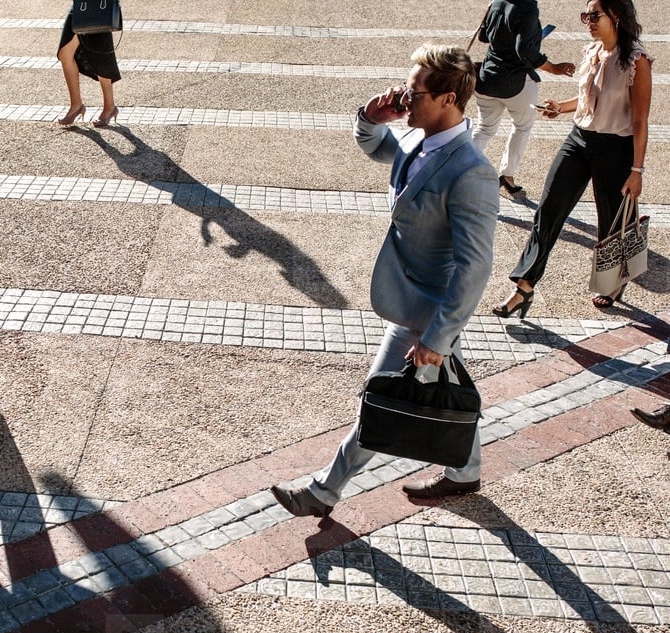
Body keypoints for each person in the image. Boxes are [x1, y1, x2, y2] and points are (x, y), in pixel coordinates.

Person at [270, 44, 498, 518]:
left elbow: (475, 266)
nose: (405, 99)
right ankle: (465, 471)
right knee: (443, 384)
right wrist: (371, 118)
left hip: (428, 312)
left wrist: (438, 335)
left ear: (449, 98)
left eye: (414, 93)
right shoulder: (420, 140)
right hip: (412, 300)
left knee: (381, 400)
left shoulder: (470, 172)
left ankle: (322, 492)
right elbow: (380, 148)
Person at [492, 0, 652, 317]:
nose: (589, 21)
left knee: (611, 220)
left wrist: (637, 170)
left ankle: (614, 280)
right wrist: (559, 108)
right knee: (548, 211)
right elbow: (586, 99)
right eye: (586, 16)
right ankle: (524, 286)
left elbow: (640, 121)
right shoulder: (592, 52)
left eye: (595, 15)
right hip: (578, 140)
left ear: (616, 17)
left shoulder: (636, 61)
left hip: (616, 147)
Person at [471, 0, 576, 194]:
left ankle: (460, 172)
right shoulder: (526, 7)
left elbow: (484, 37)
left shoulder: (497, 2)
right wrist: (554, 68)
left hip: (487, 78)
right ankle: (507, 175)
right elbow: (525, 51)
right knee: (522, 126)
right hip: (516, 82)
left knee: (484, 129)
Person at [56, 7, 121, 127]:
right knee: (65, 53)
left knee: (100, 53)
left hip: (101, 6)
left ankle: (109, 107)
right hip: (81, 5)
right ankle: (76, 105)